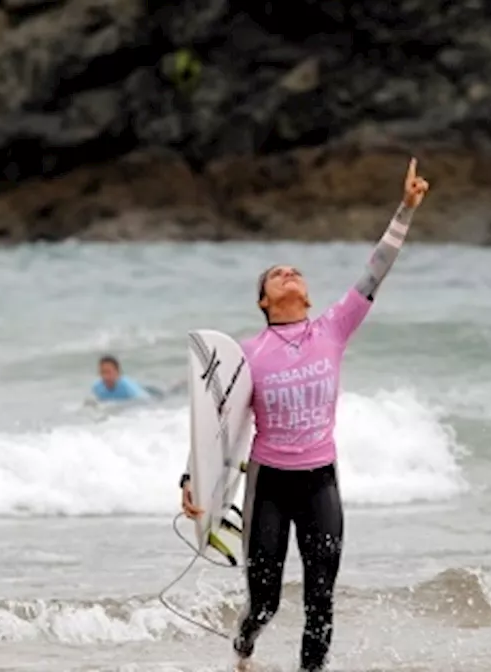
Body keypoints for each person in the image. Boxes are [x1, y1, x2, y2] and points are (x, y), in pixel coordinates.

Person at [178, 158, 430, 671]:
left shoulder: (333, 329)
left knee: (321, 600)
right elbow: (216, 422)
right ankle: (244, 645)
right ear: (265, 301)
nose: (289, 273)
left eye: (295, 272)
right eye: (277, 275)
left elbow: (376, 268)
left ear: (306, 296)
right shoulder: (248, 353)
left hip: (320, 484)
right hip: (268, 484)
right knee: (265, 603)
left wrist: (404, 209)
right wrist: (193, 478)